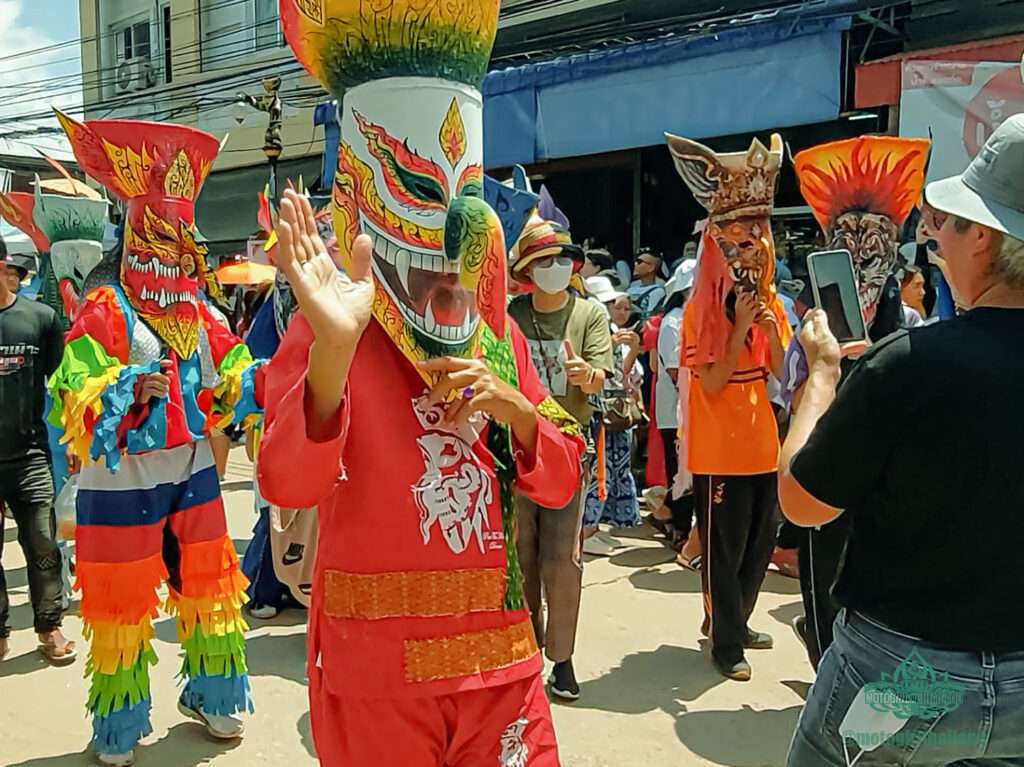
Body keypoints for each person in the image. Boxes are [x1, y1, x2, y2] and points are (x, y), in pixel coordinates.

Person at [262, 4, 585, 764]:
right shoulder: (330, 320)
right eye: (414, 182)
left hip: (501, 667)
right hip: (375, 675)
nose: (444, 224)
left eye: (458, 186)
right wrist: (335, 352)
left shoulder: (494, 326)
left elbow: (563, 472)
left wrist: (516, 410)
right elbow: (285, 478)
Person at [782, 114, 1024, 767]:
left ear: (984, 238)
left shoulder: (909, 362)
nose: (932, 235)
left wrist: (823, 374)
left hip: (904, 677)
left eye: (946, 221)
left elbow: (803, 501)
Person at [50, 111, 262, 766]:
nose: (177, 247)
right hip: (123, 473)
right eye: (165, 233)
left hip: (193, 465)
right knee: (122, 598)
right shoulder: (106, 307)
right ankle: (119, 726)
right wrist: (123, 389)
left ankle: (216, 696)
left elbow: (235, 370)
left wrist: (243, 388)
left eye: (182, 236)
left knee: (209, 584)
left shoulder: (199, 310)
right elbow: (74, 388)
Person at [786, 136, 929, 670]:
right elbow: (794, 394)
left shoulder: (911, 324)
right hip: (830, 455)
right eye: (845, 238)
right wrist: (825, 366)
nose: (862, 252)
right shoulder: (811, 328)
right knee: (823, 565)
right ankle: (824, 659)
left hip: (889, 478)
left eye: (874, 239)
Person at [666, 131, 792, 682]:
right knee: (723, 545)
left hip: (763, 440)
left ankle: (738, 620)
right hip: (721, 447)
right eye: (735, 242)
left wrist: (771, 329)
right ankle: (726, 641)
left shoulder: (771, 303)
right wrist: (741, 328)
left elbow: (785, 371)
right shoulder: (699, 314)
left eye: (755, 239)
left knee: (761, 540)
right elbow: (712, 382)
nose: (747, 250)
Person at [508, 215, 613, 701]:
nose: (554, 268)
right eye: (543, 260)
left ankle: (563, 658)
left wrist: (584, 372)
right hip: (513, 447)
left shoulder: (588, 315)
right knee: (519, 554)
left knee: (561, 559)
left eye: (560, 260)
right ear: (528, 268)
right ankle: (526, 646)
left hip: (568, 446)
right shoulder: (510, 315)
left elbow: (600, 379)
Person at [0, 243, 75, 665]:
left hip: (29, 456)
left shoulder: (41, 320)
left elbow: (63, 385)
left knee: (43, 545)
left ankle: (50, 627)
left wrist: (73, 442)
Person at [581, 275, 642, 557]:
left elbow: (623, 372)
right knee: (598, 471)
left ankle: (596, 527)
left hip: (614, 406)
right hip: (598, 409)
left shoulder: (608, 327)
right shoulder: (593, 327)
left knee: (614, 468)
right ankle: (587, 530)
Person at [653, 258, 701, 569]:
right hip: (676, 412)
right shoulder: (673, 322)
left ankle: (666, 512)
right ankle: (680, 529)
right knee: (680, 472)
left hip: (693, 412)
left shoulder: (693, 319)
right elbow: (675, 371)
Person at [628, 247, 667, 320]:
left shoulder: (658, 292)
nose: (635, 264)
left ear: (651, 268)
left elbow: (650, 317)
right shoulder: (630, 290)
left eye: (639, 262)